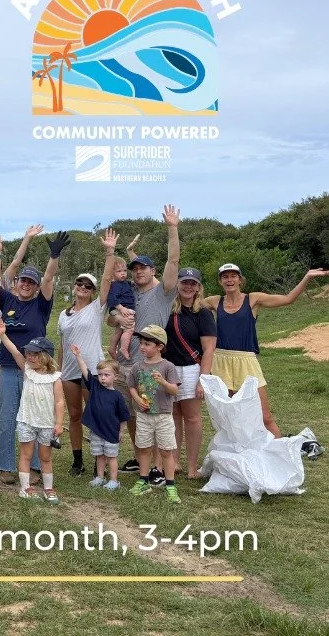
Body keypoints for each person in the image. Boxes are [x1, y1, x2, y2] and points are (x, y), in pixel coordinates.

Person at [202, 264, 328, 438]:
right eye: (225, 277)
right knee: (230, 415)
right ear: (220, 281)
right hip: (221, 360)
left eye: (233, 276)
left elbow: (288, 299)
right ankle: (237, 457)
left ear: (240, 280)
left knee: (265, 416)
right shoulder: (214, 301)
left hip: (246, 360)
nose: (229, 280)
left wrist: (307, 277)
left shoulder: (253, 299)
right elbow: (187, 303)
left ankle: (280, 456)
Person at [0, 225, 67, 485]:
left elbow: (48, 279)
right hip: (10, 366)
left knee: (38, 416)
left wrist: (54, 257)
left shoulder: (41, 305)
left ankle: (36, 465)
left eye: (31, 282)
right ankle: (5, 465)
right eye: (23, 280)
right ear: (17, 282)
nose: (26, 285)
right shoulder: (8, 301)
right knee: (6, 416)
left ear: (36, 287)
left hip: (37, 372)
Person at [115, 205, 181, 483]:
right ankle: (140, 455)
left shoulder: (164, 291)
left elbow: (174, 261)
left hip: (150, 360)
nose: (138, 272)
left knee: (153, 411)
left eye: (143, 268)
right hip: (126, 360)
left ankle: (156, 466)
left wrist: (172, 228)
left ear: (153, 270)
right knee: (133, 412)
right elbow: (111, 319)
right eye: (135, 268)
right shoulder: (130, 293)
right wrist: (118, 319)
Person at [56, 228, 118, 477]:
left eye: (88, 285)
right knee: (74, 415)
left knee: (96, 413)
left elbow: (106, 280)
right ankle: (77, 460)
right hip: (69, 371)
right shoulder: (62, 314)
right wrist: (59, 371)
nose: (83, 287)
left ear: (93, 291)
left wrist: (110, 252)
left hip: (92, 369)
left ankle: (98, 460)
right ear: (74, 286)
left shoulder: (96, 308)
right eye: (80, 283)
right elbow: (62, 343)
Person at [0, 331, 64, 503]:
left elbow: (59, 402)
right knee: (25, 455)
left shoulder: (55, 378)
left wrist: (59, 423)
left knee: (46, 457)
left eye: (35, 354)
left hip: (47, 424)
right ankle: (25, 488)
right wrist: (3, 335)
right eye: (29, 353)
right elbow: (14, 351)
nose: (30, 357)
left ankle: (48, 488)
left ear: (46, 356)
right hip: (26, 421)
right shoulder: (27, 370)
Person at [164, 267, 216, 478]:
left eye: (192, 283)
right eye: (184, 282)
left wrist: (203, 379)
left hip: (192, 368)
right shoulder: (169, 308)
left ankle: (192, 466)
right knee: (173, 415)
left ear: (198, 287)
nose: (188, 286)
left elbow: (209, 349)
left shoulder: (203, 312)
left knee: (192, 417)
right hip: (169, 367)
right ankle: (174, 461)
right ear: (178, 284)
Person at [127, 325, 181, 503]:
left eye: (147, 344)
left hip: (163, 415)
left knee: (166, 450)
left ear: (160, 346)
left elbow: (174, 391)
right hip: (143, 416)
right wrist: (136, 399)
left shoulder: (168, 366)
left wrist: (163, 382)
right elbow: (131, 386)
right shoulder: (137, 366)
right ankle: (143, 481)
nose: (142, 347)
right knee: (144, 449)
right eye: (141, 343)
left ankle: (170, 484)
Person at [69, 350, 130, 491]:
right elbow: (85, 372)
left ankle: (114, 480)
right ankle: (100, 477)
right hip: (96, 431)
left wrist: (121, 431)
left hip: (111, 432)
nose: (102, 378)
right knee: (99, 455)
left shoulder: (117, 396)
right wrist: (79, 356)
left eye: (106, 375)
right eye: (100, 375)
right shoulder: (95, 387)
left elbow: (123, 417)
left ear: (116, 376)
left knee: (111, 457)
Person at [106, 256, 137, 362]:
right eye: (119, 271)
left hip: (123, 309)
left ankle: (112, 348)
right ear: (112, 273)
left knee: (119, 331)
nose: (123, 273)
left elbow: (132, 284)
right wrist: (122, 308)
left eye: (124, 270)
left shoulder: (125, 283)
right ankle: (123, 348)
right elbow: (112, 299)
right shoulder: (114, 285)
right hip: (120, 309)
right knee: (129, 329)